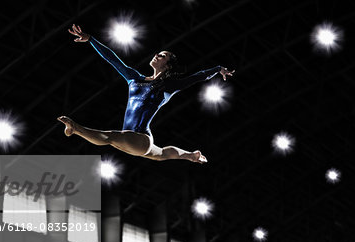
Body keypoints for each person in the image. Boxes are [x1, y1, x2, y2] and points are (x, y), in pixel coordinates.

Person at [58, 24, 234, 163]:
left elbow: (197, 77)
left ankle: (76, 129)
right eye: (158, 53)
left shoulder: (168, 86)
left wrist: (218, 69)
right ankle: (191, 155)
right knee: (162, 154)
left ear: (168, 66)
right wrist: (90, 39)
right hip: (132, 140)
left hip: (140, 138)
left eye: (162, 55)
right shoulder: (134, 78)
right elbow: (112, 59)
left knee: (110, 137)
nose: (157, 55)